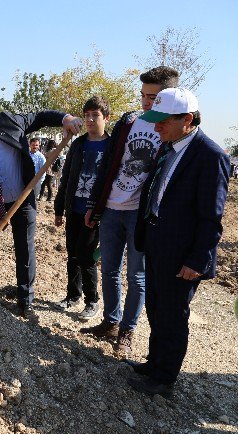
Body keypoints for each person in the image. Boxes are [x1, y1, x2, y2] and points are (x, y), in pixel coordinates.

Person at [125, 88, 229, 397]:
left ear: (186, 119)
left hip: (182, 252)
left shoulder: (210, 156)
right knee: (156, 307)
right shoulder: (168, 146)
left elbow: (211, 217)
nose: (156, 128)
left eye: (163, 121)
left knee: (173, 313)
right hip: (158, 240)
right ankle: (154, 362)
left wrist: (198, 259)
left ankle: (164, 378)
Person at [81, 66, 180, 357]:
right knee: (109, 268)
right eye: (143, 95)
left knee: (137, 275)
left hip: (140, 215)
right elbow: (109, 164)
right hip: (111, 208)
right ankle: (110, 321)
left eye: (153, 96)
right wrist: (94, 205)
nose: (146, 102)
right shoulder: (129, 121)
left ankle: (128, 330)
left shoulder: (173, 131)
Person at [0, 109, 83, 317]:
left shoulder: (7, 124)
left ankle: (25, 300)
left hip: (23, 195)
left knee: (25, 246)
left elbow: (39, 118)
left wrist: (66, 119)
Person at [54, 96, 111, 321]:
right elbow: (66, 177)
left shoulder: (112, 146)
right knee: (72, 255)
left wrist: (100, 211)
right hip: (74, 209)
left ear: (106, 118)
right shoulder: (78, 144)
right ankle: (72, 295)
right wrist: (59, 209)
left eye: (95, 115)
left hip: (95, 213)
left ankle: (92, 300)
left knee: (87, 256)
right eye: (86, 115)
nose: (89, 119)